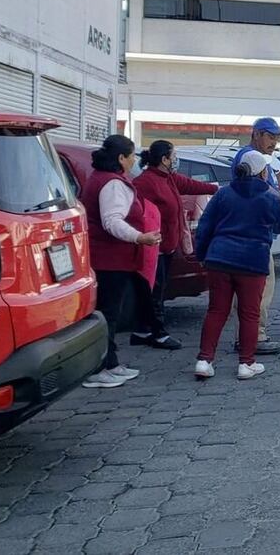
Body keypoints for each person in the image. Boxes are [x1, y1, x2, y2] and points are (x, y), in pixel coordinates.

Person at [194, 150, 280, 380]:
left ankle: (204, 360)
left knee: (217, 310)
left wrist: (201, 254)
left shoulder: (223, 194)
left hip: (219, 259)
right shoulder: (270, 197)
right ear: (262, 172)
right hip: (252, 262)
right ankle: (246, 364)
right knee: (249, 314)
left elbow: (205, 225)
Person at [81, 135, 162, 388]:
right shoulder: (112, 184)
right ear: (121, 158)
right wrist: (140, 237)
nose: (135, 160)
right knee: (107, 314)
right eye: (131, 156)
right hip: (109, 259)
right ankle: (99, 367)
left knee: (110, 313)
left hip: (112, 258)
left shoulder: (102, 179)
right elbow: (112, 221)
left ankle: (111, 363)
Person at [133, 140, 219, 350]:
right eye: (174, 156)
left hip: (168, 245)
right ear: (164, 159)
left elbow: (191, 185)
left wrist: (217, 189)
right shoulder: (146, 182)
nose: (176, 160)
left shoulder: (168, 178)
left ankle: (142, 330)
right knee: (155, 290)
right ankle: (158, 333)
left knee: (157, 289)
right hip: (154, 246)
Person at [231, 118, 280, 355]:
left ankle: (246, 336)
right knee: (260, 290)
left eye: (277, 138)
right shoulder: (247, 158)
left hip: (257, 237)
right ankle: (254, 337)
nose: (275, 142)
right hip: (253, 238)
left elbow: (272, 185)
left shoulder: (262, 163)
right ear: (257, 134)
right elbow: (254, 186)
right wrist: (275, 199)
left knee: (256, 290)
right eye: (271, 137)